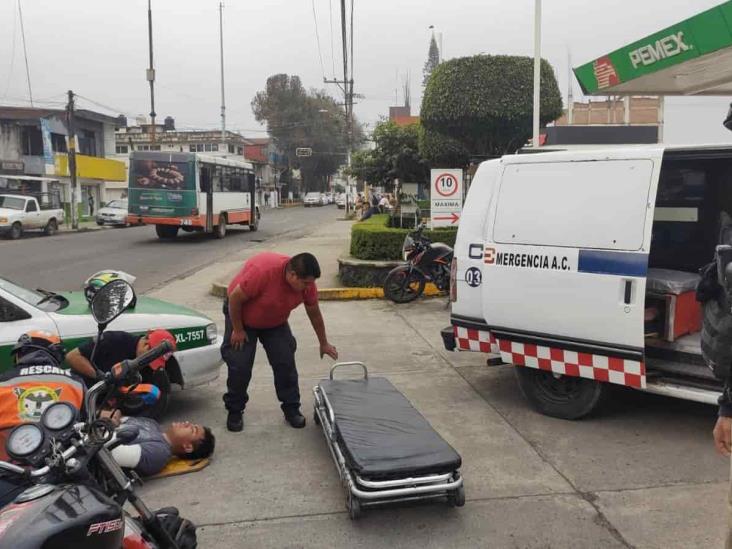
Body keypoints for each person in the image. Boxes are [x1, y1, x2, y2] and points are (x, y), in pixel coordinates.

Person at [221, 252, 338, 432]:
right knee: (240, 365)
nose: (309, 287)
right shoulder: (264, 272)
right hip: (241, 318)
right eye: (306, 283)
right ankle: (235, 410)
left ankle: (291, 408)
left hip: (275, 321)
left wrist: (324, 342)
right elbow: (235, 299)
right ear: (292, 275)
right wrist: (237, 330)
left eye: (311, 282)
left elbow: (314, 312)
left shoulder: (308, 285)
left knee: (285, 362)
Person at [102, 410, 215, 477]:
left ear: (188, 446)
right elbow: (116, 417)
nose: (187, 423)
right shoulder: (152, 424)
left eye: (192, 429)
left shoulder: (159, 453)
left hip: (90, 441)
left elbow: (109, 453)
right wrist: (113, 414)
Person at [66, 329, 177, 384]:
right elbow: (72, 357)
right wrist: (101, 378)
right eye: (150, 359)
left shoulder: (146, 367)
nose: (148, 364)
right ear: (146, 344)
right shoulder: (115, 340)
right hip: (80, 387)